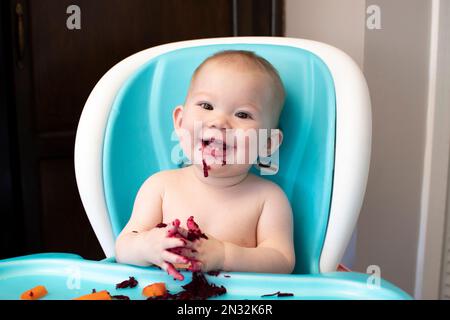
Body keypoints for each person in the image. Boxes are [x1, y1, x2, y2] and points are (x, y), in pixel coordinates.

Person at [115, 50, 295, 280]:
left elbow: (282, 260)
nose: (219, 122)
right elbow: (123, 247)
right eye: (207, 106)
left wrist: (225, 255)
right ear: (180, 122)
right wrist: (147, 247)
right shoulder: (160, 187)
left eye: (242, 114)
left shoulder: (268, 199)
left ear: (267, 143)